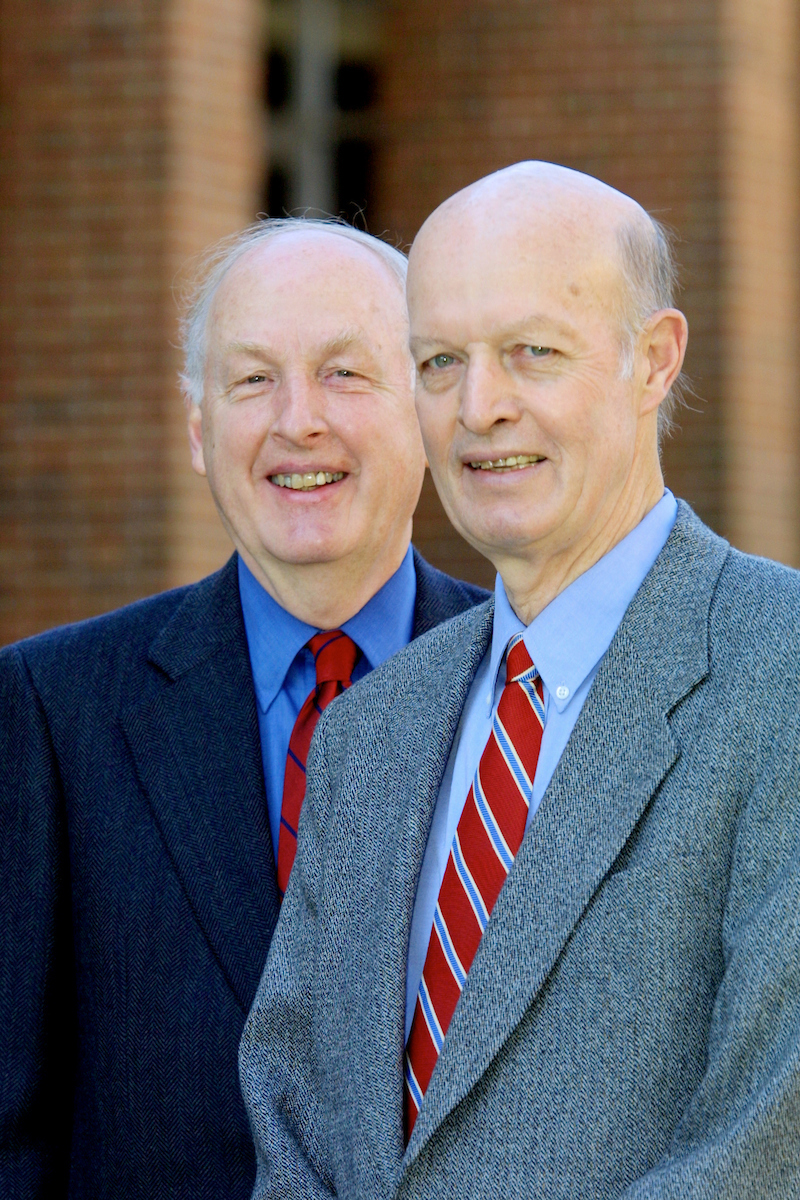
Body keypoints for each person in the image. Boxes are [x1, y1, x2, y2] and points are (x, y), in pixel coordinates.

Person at [240, 165, 800, 1199]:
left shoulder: (780, 671)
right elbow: (290, 1113)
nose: (478, 407)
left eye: (530, 353)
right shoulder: (371, 730)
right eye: (440, 361)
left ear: (652, 360)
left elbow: (769, 1141)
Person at [0, 218, 487, 1200]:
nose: (296, 421)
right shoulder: (50, 712)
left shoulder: (544, 691)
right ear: (195, 430)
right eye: (252, 380)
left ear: (431, 411)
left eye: (345, 374)